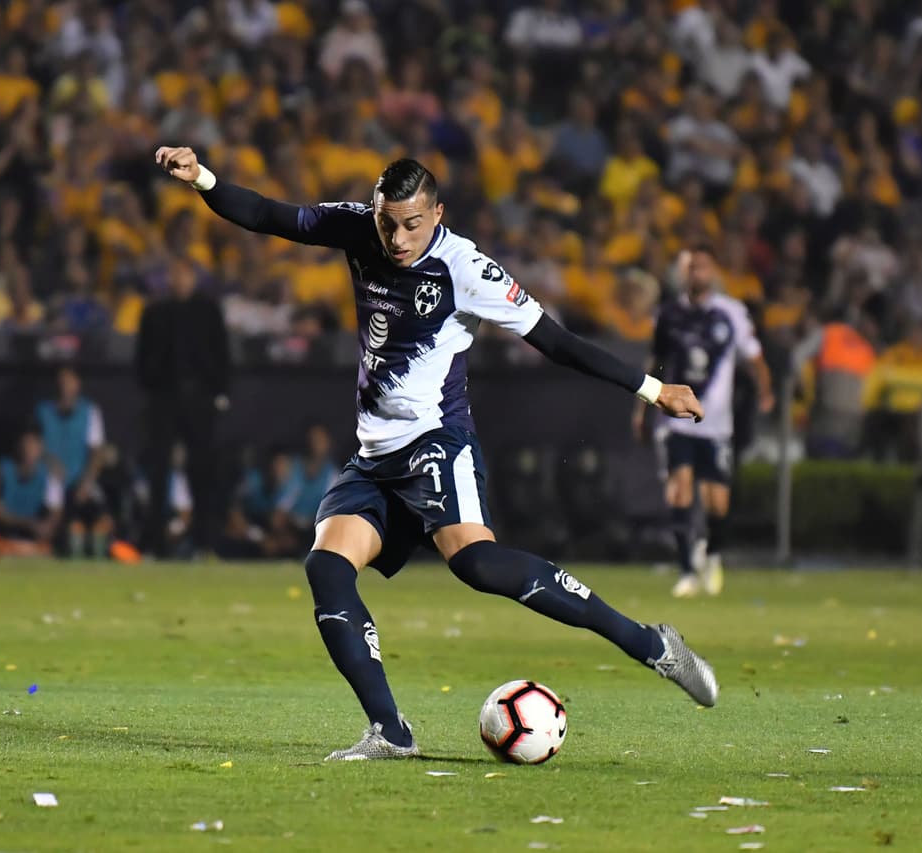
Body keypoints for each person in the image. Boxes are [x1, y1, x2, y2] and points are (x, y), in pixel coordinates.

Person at [156, 146, 715, 761]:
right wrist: (204, 178)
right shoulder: (359, 227)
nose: (397, 237)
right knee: (326, 567)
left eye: (412, 223)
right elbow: (267, 214)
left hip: (435, 445)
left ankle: (649, 644)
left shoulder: (466, 267)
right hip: (374, 455)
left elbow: (555, 341)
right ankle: (390, 732)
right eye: (387, 221)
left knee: (476, 565)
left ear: (438, 213)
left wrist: (654, 389)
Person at [636, 247, 773, 598]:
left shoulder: (731, 313)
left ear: (713, 272)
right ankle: (686, 571)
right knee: (679, 488)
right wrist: (641, 408)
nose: (697, 274)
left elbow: (754, 356)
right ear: (685, 274)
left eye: (703, 267)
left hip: (716, 423)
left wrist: (765, 390)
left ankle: (711, 555)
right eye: (692, 268)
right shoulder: (668, 314)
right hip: (675, 420)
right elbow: (656, 360)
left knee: (718, 502)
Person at [134, 259, 230, 557]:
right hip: (164, 398)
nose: (178, 280)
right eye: (173, 274)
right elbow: (141, 361)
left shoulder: (208, 312)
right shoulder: (154, 312)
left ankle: (203, 542)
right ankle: (155, 544)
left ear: (193, 278)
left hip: (199, 400)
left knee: (202, 471)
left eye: (184, 274)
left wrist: (218, 391)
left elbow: (222, 356)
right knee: (158, 472)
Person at [36, 366, 113, 557]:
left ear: (77, 385)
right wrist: (51, 463)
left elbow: (96, 452)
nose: (65, 388)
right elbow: (33, 447)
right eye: (61, 383)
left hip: (80, 478)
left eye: (69, 383)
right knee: (54, 505)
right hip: (49, 478)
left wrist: (86, 482)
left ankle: (97, 548)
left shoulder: (90, 411)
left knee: (99, 511)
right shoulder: (42, 411)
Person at [0, 426, 64, 557]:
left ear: (40, 447)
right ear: (18, 446)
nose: (27, 450)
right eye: (25, 444)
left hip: (32, 541)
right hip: (2, 538)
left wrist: (46, 527)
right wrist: (28, 524)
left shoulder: (49, 473)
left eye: (32, 445)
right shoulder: (1, 470)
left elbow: (55, 511)